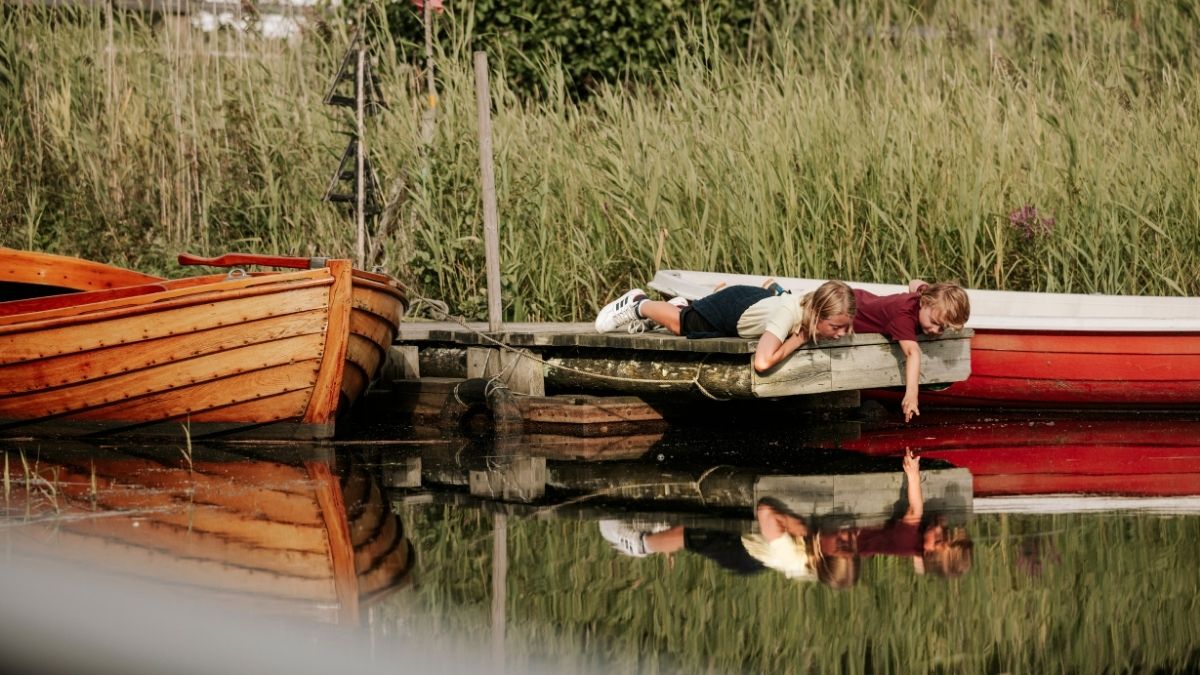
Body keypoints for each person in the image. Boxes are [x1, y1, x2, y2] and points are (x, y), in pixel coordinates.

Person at [594, 281, 856, 373]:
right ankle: (638, 303)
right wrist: (798, 340)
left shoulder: (813, 310)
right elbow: (762, 363)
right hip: (733, 308)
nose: (842, 334)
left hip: (757, 302)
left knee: (686, 315)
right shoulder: (789, 315)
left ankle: (680, 304)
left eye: (846, 328)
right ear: (818, 314)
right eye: (836, 327)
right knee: (681, 324)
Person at [814, 448, 974, 581]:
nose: (940, 529)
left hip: (849, 537)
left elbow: (915, 508)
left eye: (939, 538)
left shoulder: (907, 540)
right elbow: (921, 564)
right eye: (946, 532)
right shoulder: (920, 548)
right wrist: (938, 526)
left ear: (927, 551)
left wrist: (913, 476)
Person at [852, 280, 970, 422]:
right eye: (933, 322)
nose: (935, 331)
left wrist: (929, 289)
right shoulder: (903, 316)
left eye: (942, 328)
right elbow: (912, 352)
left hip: (862, 298)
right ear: (924, 302)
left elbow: (914, 282)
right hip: (850, 308)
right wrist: (912, 394)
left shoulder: (924, 295)